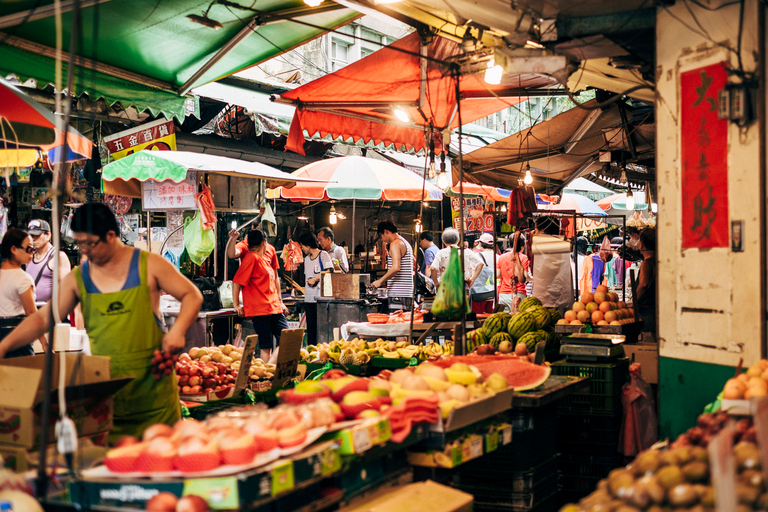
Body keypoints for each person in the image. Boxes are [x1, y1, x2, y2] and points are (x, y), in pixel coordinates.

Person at [0, 203, 203, 439]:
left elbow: (192, 295)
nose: (85, 251)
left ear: (110, 235)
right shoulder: (79, 278)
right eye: (79, 244)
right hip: (106, 399)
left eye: (89, 243)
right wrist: (4, 345)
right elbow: (42, 319)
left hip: (153, 396)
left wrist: (177, 332)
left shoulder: (148, 264)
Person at [233, 229, 289, 361]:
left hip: (274, 307)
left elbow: (275, 279)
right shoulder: (251, 258)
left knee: (288, 338)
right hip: (259, 310)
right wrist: (236, 304)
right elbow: (237, 281)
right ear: (264, 243)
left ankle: (272, 370)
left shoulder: (262, 258)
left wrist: (280, 301)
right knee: (266, 346)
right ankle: (268, 374)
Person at [0, 228, 47, 357]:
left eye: (33, 250)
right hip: (18, 335)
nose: (31, 253)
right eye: (29, 249)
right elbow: (31, 313)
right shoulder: (23, 278)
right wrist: (44, 341)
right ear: (14, 249)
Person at [25, 219, 71, 303]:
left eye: (36, 235)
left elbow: (66, 289)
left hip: (49, 310)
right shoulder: (29, 257)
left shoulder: (58, 256)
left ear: (48, 235)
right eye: (31, 236)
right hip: (31, 308)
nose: (33, 239)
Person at [371, 221, 414, 311]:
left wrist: (380, 281)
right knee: (403, 323)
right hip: (407, 293)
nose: (382, 239)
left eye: (381, 235)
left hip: (398, 293)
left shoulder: (395, 244)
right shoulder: (405, 242)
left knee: (397, 323)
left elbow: (396, 267)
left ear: (386, 231)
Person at [299, 233, 332, 346]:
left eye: (302, 246)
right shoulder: (306, 259)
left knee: (321, 329)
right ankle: (311, 351)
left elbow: (329, 272)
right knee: (311, 330)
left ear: (308, 245)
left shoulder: (323, 255)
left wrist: (316, 279)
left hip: (321, 299)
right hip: (309, 299)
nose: (302, 248)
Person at [497, 232, 528, 313]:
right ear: (522, 246)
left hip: (503, 294)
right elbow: (524, 277)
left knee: (504, 319)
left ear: (510, 244)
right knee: (518, 320)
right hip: (519, 294)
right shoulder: (524, 258)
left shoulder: (501, 257)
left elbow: (497, 275)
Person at [636, 228, 656, 338]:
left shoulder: (646, 264)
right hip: (656, 313)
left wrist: (634, 302)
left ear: (641, 244)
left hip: (647, 317)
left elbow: (643, 284)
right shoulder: (659, 260)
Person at [469, 233, 497, 314]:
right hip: (493, 293)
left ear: (481, 244)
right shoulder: (497, 256)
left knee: (477, 317)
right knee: (491, 317)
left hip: (478, 293)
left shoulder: (477, 256)